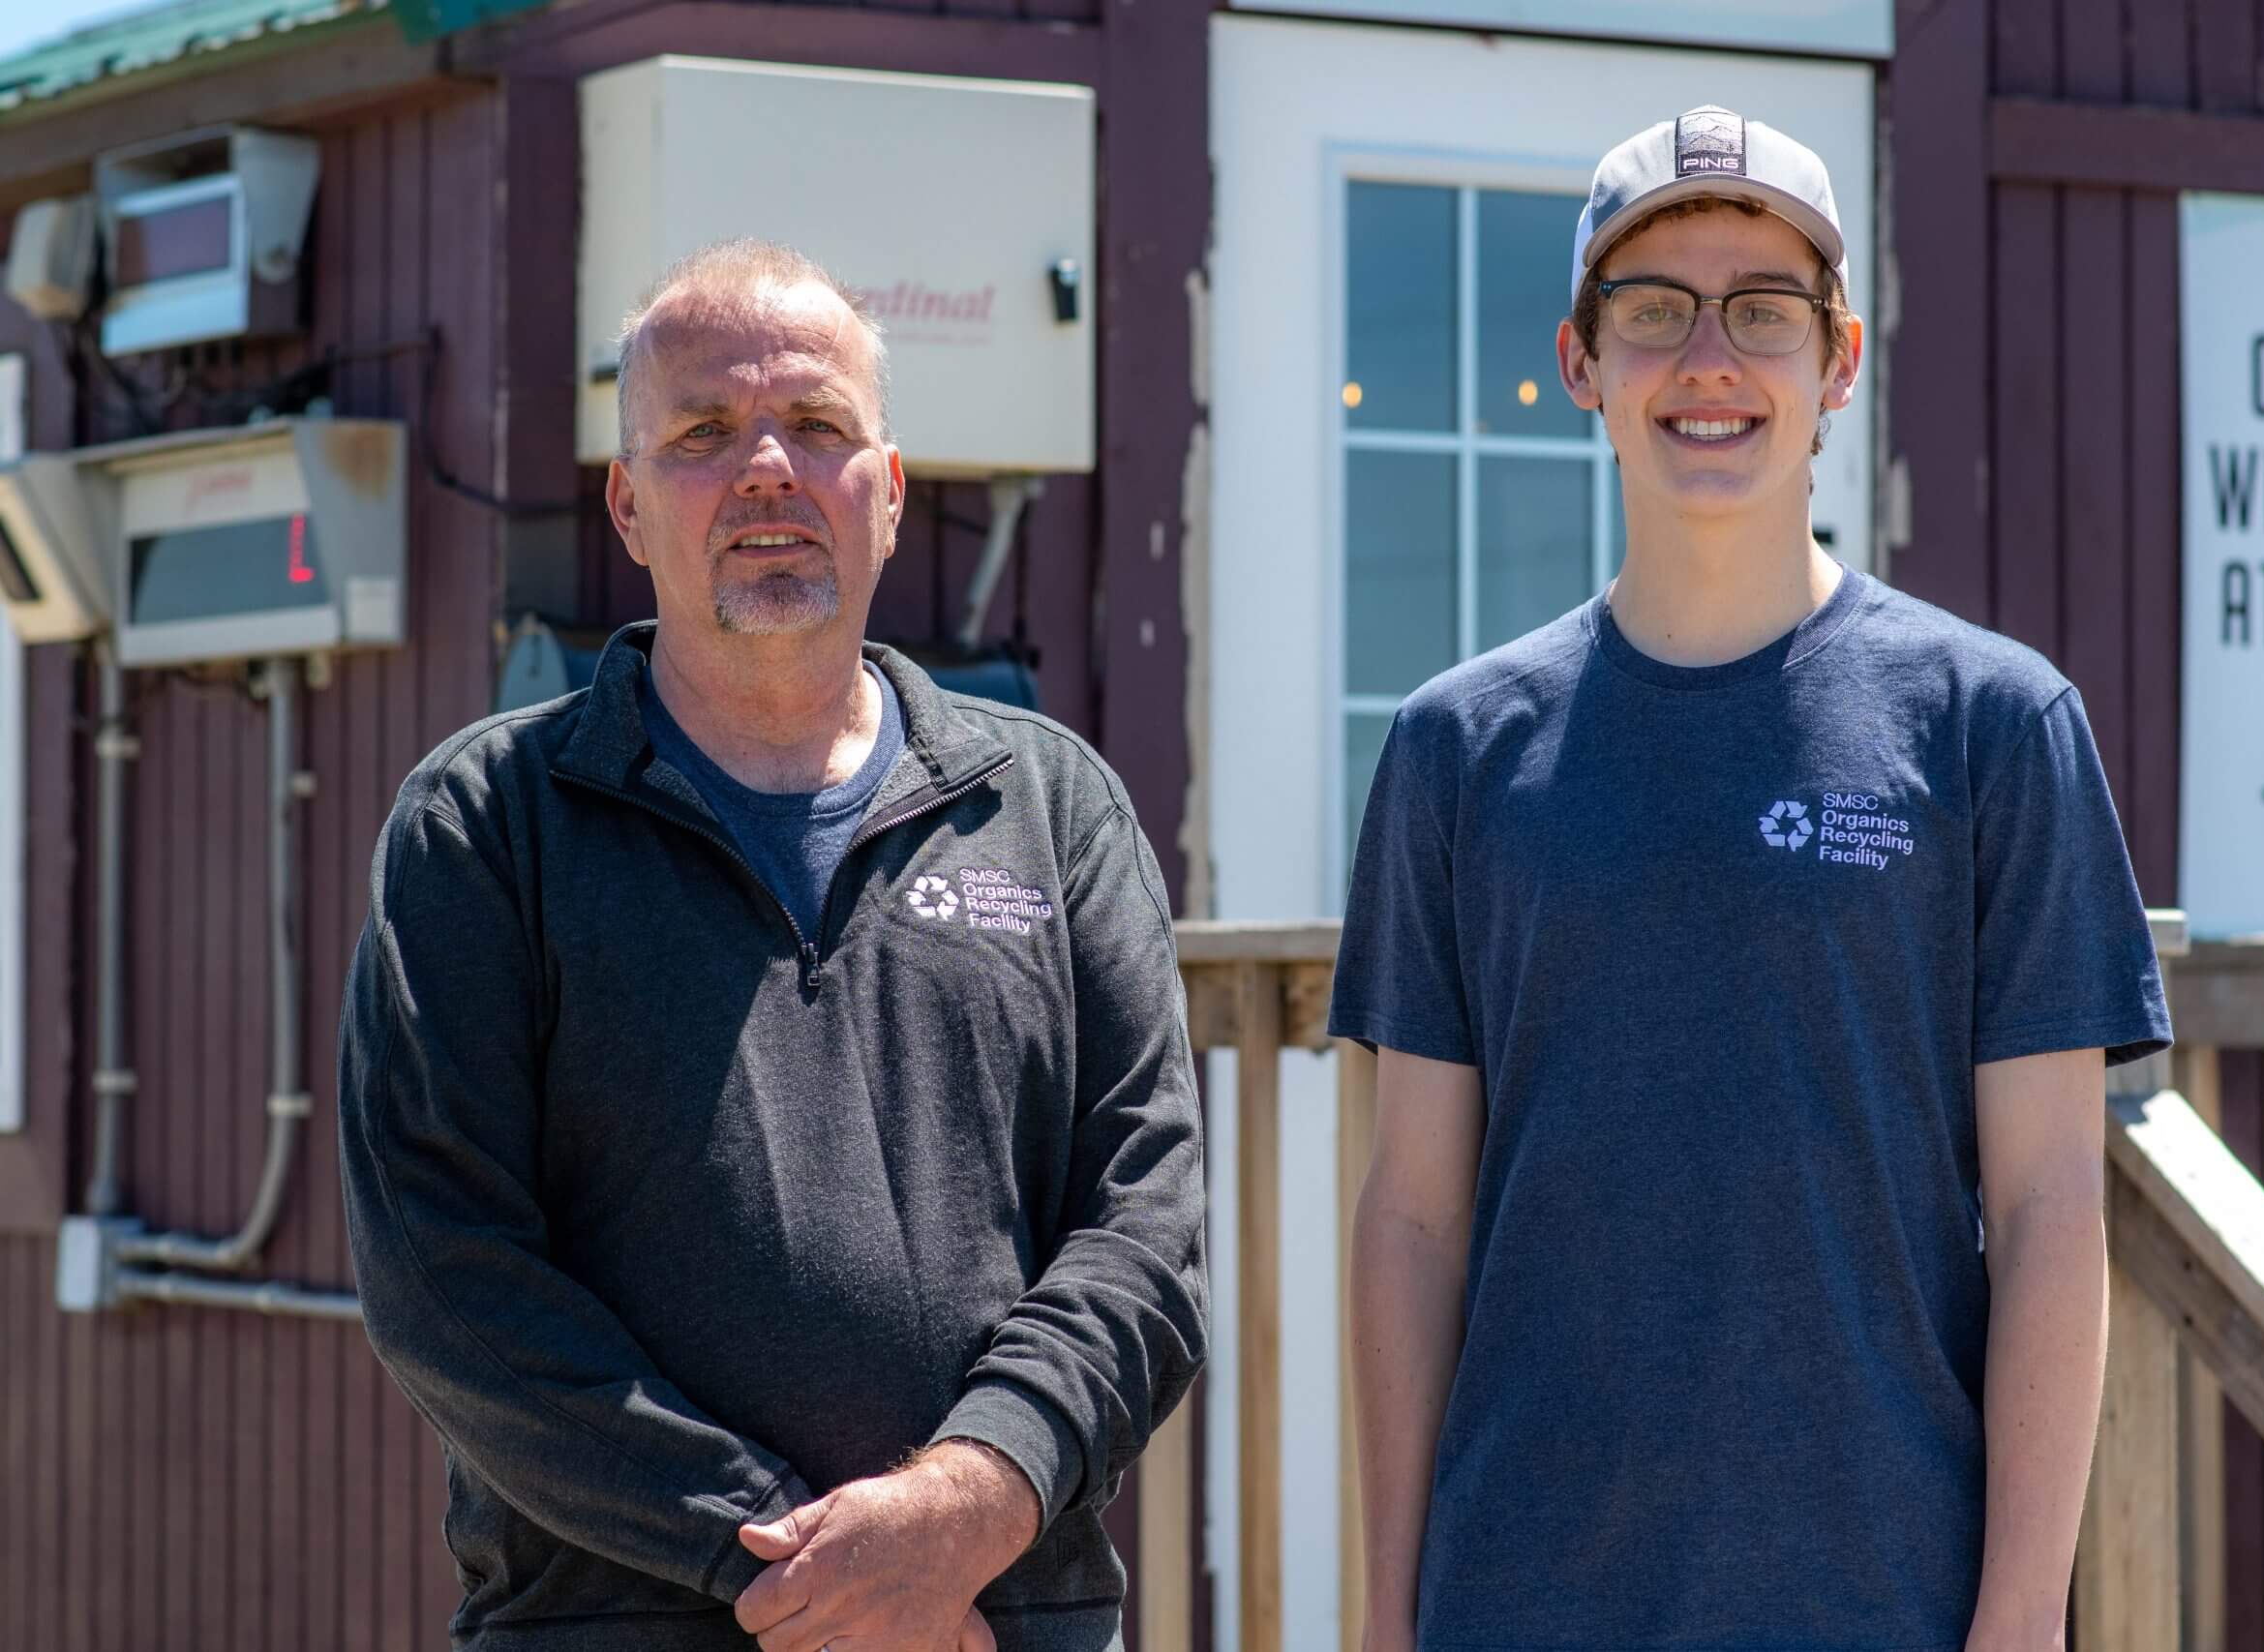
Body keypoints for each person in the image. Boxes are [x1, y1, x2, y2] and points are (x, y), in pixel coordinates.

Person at [1333, 107, 2170, 1652]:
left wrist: (2018, 1622)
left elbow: (2053, 1206)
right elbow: (1412, 1221)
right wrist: (1387, 1619)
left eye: (1763, 312)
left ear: (1838, 361)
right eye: (1653, 311)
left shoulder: (1995, 725)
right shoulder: (1456, 749)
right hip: (1522, 1600)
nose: (1708, 360)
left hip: (1887, 1598)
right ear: (1583, 365)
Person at [340, 238, 1205, 1652]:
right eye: (701, 435)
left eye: (816, 426)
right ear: (627, 506)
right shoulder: (486, 827)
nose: (764, 470)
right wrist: (779, 1565)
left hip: (997, 1615)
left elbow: (1145, 1232)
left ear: (890, 493)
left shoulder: (1048, 811)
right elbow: (445, 1275)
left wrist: (967, 1506)